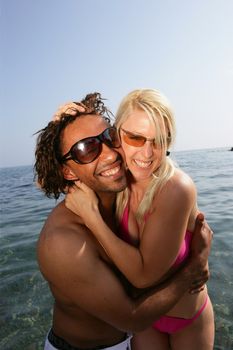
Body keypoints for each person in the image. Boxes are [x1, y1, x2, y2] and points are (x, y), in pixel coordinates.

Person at [34, 92, 212, 350]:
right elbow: (134, 315)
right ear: (69, 171)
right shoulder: (64, 240)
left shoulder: (125, 180)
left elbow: (54, 173)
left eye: (108, 138)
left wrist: (69, 137)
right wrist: (194, 268)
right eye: (86, 149)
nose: (108, 154)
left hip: (146, 330)